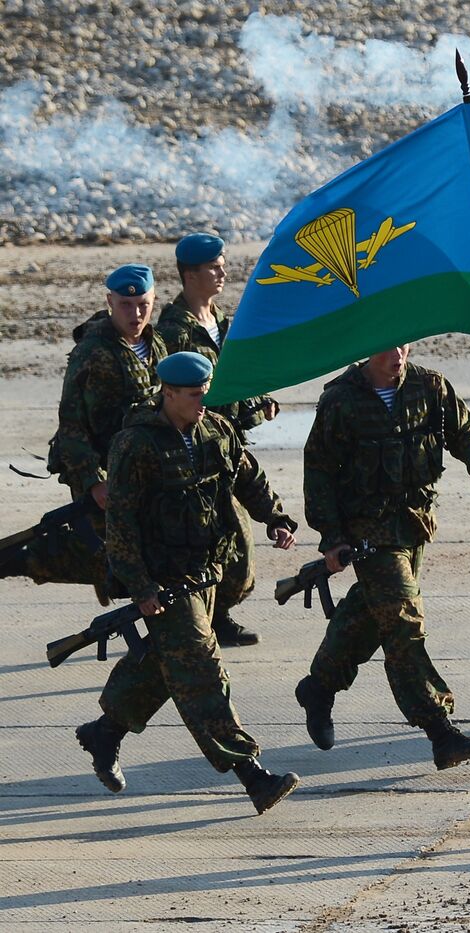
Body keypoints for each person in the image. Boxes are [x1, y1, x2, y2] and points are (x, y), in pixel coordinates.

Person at [74, 352, 301, 814]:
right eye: (195, 394)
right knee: (200, 669)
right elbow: (121, 523)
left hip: (205, 574)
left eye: (206, 393)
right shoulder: (135, 445)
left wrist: (275, 517)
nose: (203, 401)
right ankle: (252, 774)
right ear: (169, 393)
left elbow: (247, 476)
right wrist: (140, 586)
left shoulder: (215, 430)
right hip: (163, 580)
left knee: (166, 662)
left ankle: (105, 731)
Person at [294, 344, 470, 771]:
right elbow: (318, 471)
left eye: (404, 345)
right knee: (404, 624)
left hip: (414, 527)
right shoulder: (341, 400)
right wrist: (331, 537)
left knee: (370, 616)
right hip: (369, 533)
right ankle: (439, 729)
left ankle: (319, 686)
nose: (397, 355)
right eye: (387, 347)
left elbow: (465, 431)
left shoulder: (430, 386)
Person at [1, 265, 169, 596]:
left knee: (142, 555)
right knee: (111, 560)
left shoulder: (156, 344)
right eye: (125, 305)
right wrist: (94, 480)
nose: (135, 314)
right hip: (100, 469)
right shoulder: (92, 352)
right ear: (110, 301)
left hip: (140, 467)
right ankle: (20, 561)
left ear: (154, 301)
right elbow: (71, 425)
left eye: (143, 305)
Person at [156, 232, 280, 648]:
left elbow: (236, 379)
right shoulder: (172, 331)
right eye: (213, 267)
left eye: (222, 264)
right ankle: (205, 617)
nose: (222, 272)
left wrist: (260, 400)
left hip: (228, 447)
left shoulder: (223, 323)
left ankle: (213, 615)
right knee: (220, 541)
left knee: (232, 545)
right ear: (190, 275)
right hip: (195, 452)